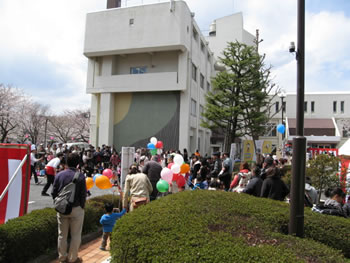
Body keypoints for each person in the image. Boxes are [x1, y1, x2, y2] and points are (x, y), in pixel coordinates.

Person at [51, 153, 86, 263]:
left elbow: (53, 192)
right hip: (76, 208)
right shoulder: (80, 176)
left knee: (62, 235)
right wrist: (82, 206)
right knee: (76, 235)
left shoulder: (59, 175)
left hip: (62, 209)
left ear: (66, 162)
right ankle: (73, 258)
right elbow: (82, 195)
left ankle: (62, 258)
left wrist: (60, 203)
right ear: (77, 164)